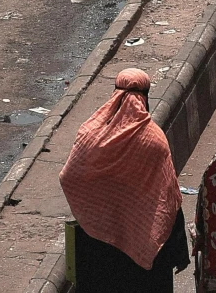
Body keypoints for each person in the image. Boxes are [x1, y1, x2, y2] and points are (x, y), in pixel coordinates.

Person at [59, 67, 190, 290]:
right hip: (143, 258)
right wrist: (179, 252)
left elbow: (69, 176)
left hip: (99, 249)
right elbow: (168, 201)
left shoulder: (90, 135)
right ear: (145, 98)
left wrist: (95, 213)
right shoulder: (153, 141)